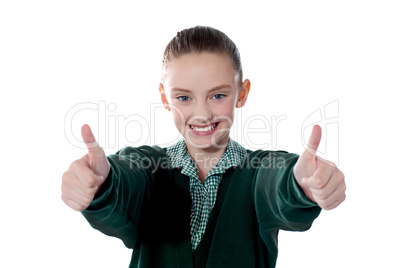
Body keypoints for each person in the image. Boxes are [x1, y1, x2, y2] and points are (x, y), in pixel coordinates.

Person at [61, 26, 346, 267]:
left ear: (242, 93)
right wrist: (102, 186)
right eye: (184, 98)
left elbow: (279, 185)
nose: (202, 114)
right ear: (164, 96)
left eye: (218, 95)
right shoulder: (146, 168)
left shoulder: (259, 172)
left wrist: (301, 186)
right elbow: (124, 187)